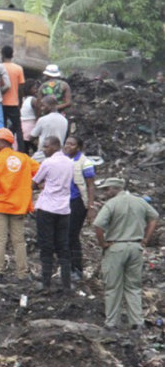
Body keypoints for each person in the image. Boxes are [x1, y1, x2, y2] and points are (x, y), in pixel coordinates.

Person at [94, 178, 159, 330]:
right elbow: (154, 217)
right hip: (136, 247)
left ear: (115, 188)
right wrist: (146, 239)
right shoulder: (140, 201)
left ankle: (111, 322)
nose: (105, 193)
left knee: (112, 287)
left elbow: (98, 225)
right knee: (133, 286)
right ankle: (136, 321)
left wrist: (103, 243)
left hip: (116, 247)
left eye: (107, 189)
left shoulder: (111, 204)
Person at [0, 128, 40, 283]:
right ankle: (22, 274)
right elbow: (40, 172)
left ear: (4, 142)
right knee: (18, 241)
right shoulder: (24, 158)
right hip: (18, 206)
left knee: (0, 240)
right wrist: (30, 187)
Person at [32, 136, 75, 292]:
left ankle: (46, 283)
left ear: (55, 146)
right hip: (64, 209)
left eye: (46, 146)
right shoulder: (70, 163)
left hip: (47, 208)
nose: (44, 149)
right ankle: (66, 284)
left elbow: (34, 182)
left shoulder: (48, 163)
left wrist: (43, 184)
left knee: (46, 246)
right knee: (63, 246)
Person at [64, 136, 97, 279]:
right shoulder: (62, 160)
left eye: (72, 144)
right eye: (67, 143)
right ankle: (68, 268)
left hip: (77, 202)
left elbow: (90, 185)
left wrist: (90, 206)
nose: (68, 146)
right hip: (63, 201)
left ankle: (76, 269)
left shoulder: (84, 162)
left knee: (72, 235)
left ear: (78, 147)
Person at [0, 46, 26, 151]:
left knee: (2, 128)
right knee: (18, 128)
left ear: (2, 55)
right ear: (12, 55)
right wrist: (20, 102)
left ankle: (3, 150)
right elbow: (21, 87)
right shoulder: (18, 68)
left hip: (0, 103)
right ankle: (22, 151)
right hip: (14, 103)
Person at [29, 96, 68, 161]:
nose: (41, 108)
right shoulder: (64, 120)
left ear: (51, 106)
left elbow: (32, 137)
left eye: (43, 106)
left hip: (43, 154)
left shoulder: (43, 119)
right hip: (59, 153)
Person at [20, 80, 40, 155]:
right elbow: (38, 115)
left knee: (25, 148)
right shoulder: (33, 100)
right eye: (35, 88)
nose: (37, 90)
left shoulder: (23, 99)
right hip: (31, 126)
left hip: (23, 126)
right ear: (29, 89)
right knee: (35, 148)